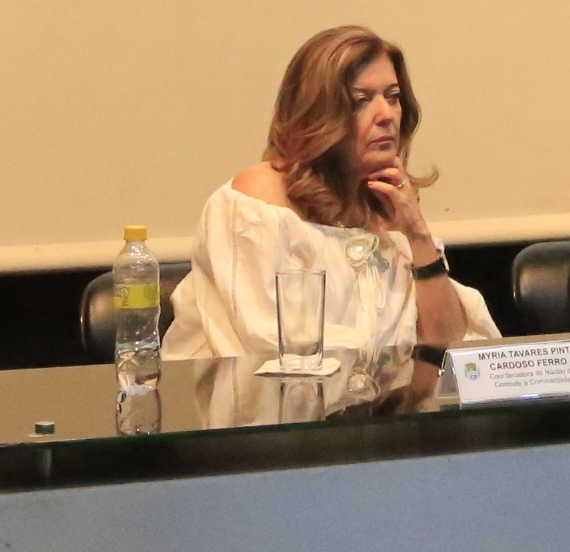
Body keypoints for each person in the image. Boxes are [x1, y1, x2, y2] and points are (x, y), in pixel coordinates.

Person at [166, 25, 497, 359]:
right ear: (316, 114)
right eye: (361, 101)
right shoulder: (259, 194)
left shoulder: (387, 205)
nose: (386, 115)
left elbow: (449, 344)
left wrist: (418, 235)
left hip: (380, 393)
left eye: (393, 97)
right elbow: (275, 344)